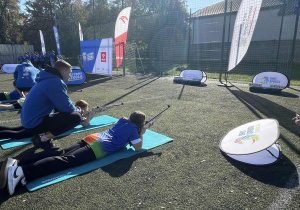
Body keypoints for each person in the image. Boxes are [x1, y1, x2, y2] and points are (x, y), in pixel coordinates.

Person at [0, 111, 148, 196]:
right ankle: (22, 172)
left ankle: (19, 163)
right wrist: (141, 133)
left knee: (62, 154)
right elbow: (137, 148)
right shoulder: (133, 130)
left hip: (92, 138)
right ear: (140, 122)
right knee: (65, 160)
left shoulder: (123, 120)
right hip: (97, 148)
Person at [21, 60, 86, 150]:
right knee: (76, 117)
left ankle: (42, 137)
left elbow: (63, 101)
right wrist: (77, 110)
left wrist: (73, 107)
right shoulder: (56, 82)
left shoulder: (48, 79)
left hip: (29, 120)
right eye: (70, 72)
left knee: (61, 110)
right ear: (64, 72)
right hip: (33, 123)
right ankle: (43, 139)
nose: (70, 75)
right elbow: (66, 108)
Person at [0, 100, 92, 141]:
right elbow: (85, 124)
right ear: (82, 108)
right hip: (43, 126)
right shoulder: (76, 115)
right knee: (16, 135)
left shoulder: (70, 107)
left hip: (41, 120)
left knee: (15, 129)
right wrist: (91, 115)